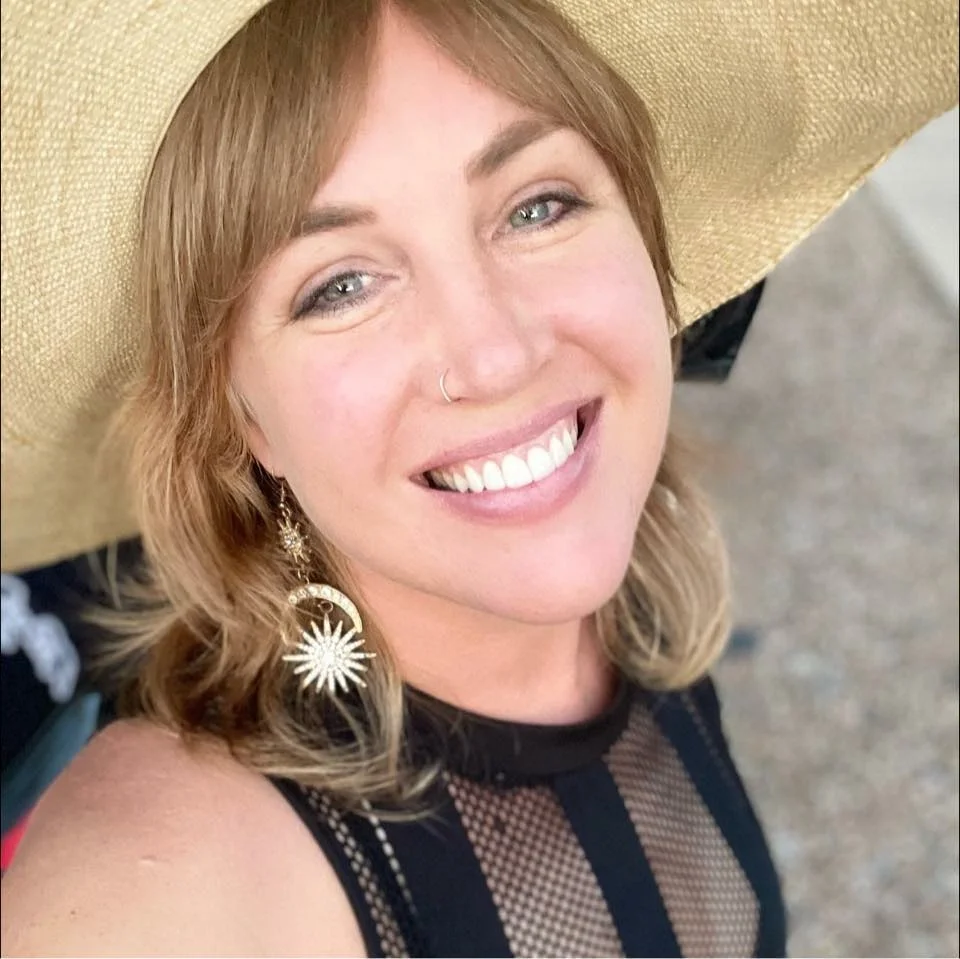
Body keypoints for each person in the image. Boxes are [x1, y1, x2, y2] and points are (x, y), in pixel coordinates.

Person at [0, 0, 954, 954]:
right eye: (340, 285)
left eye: (538, 206)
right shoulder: (168, 883)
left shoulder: (636, 622)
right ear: (244, 420)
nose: (496, 356)